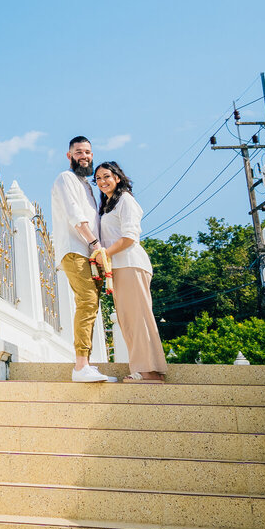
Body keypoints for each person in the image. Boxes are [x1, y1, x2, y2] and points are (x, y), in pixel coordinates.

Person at [94, 160, 168, 383]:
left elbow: (129, 237)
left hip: (130, 264)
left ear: (117, 177)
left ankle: (148, 372)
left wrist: (105, 253)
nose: (102, 181)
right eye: (98, 178)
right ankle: (146, 370)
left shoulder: (126, 200)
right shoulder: (108, 205)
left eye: (107, 176)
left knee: (137, 319)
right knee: (128, 320)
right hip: (119, 267)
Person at [51, 136, 115, 382]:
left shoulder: (88, 186)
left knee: (92, 305)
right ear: (69, 156)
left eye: (88, 152)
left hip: (90, 253)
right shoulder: (65, 178)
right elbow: (74, 214)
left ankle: (86, 363)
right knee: (87, 302)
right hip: (75, 249)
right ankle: (80, 367)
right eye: (79, 152)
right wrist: (94, 243)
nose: (84, 156)